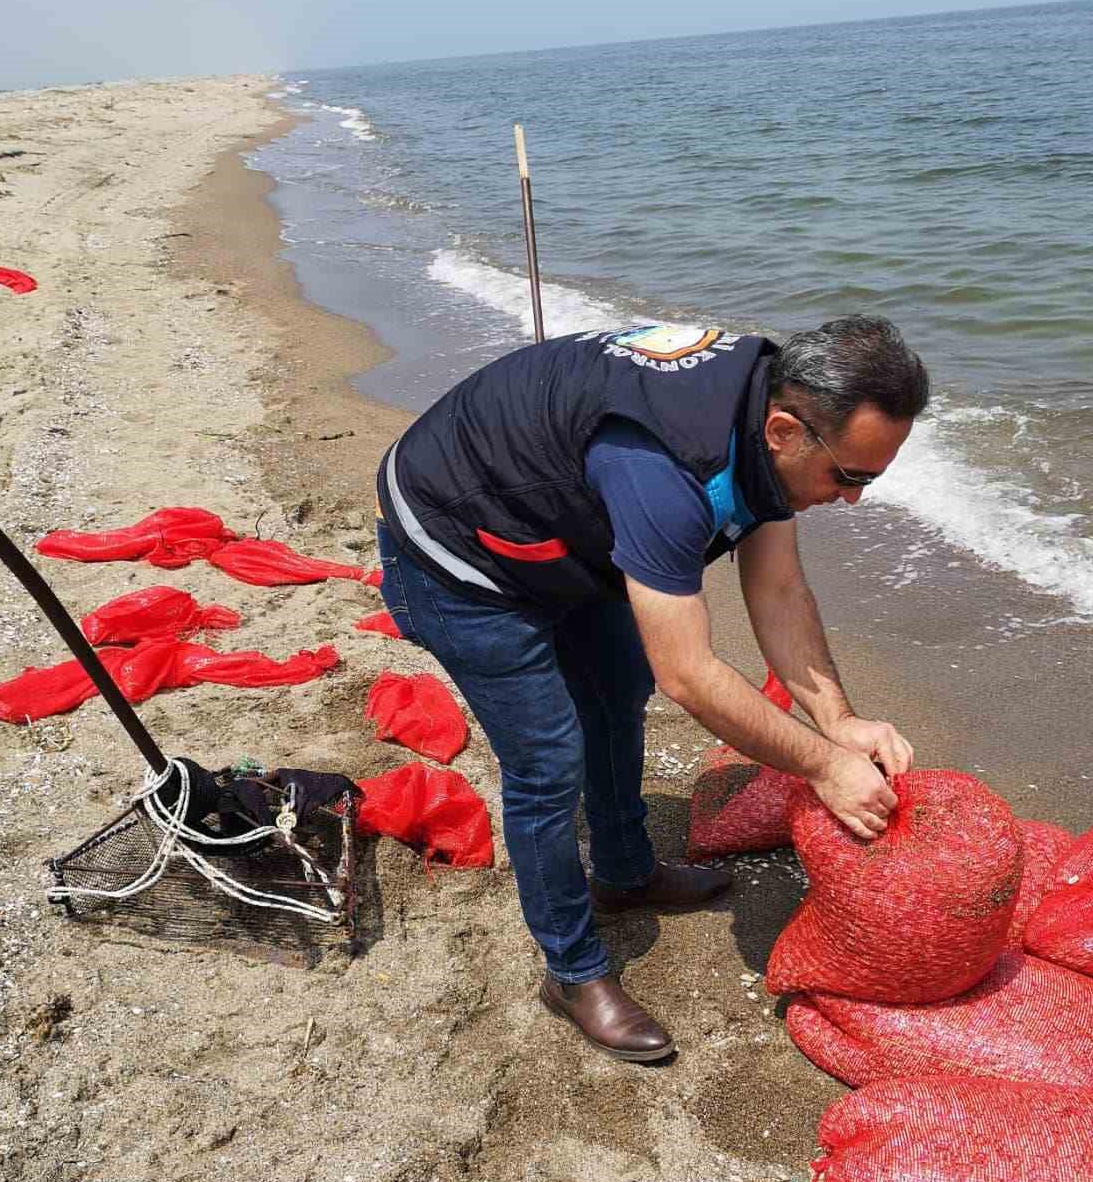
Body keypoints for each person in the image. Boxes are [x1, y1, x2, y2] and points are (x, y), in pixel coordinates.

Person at [375, 314, 929, 1062]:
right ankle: (571, 972)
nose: (853, 499)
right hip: (458, 539)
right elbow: (690, 676)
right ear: (785, 431)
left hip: (573, 524)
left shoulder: (768, 419)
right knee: (548, 758)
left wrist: (841, 723)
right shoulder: (667, 468)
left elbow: (779, 589)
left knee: (617, 690)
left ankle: (625, 873)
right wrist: (826, 768)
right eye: (849, 477)